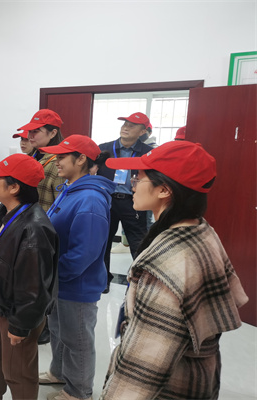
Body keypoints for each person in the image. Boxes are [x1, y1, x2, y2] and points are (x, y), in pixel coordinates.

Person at [100, 141, 248, 399]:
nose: (132, 185)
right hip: (199, 377)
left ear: (164, 190)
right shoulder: (202, 230)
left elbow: (142, 368)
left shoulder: (162, 265)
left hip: (169, 387)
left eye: (138, 178)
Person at [37, 135, 115, 400]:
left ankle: (79, 391)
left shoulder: (90, 199)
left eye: (62, 157)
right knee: (59, 332)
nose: (56, 162)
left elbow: (85, 253)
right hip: (60, 280)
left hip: (75, 284)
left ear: (81, 159)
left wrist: (55, 274)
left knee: (77, 340)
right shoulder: (70, 189)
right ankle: (59, 372)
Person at [0, 153, 58, 400]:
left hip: (16, 311)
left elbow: (34, 286)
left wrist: (20, 325)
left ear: (14, 187)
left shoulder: (34, 228)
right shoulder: (6, 210)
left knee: (18, 372)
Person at [97, 112, 154, 293]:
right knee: (103, 242)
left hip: (133, 202)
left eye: (132, 125)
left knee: (139, 244)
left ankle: (142, 284)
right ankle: (103, 280)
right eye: (125, 124)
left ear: (143, 131)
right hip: (108, 201)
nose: (126, 127)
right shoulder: (104, 149)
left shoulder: (148, 152)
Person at [18, 109, 66, 212]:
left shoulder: (58, 163)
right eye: (30, 131)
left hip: (46, 220)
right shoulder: (33, 156)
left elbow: (61, 206)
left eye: (36, 131)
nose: (30, 136)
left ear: (53, 133)